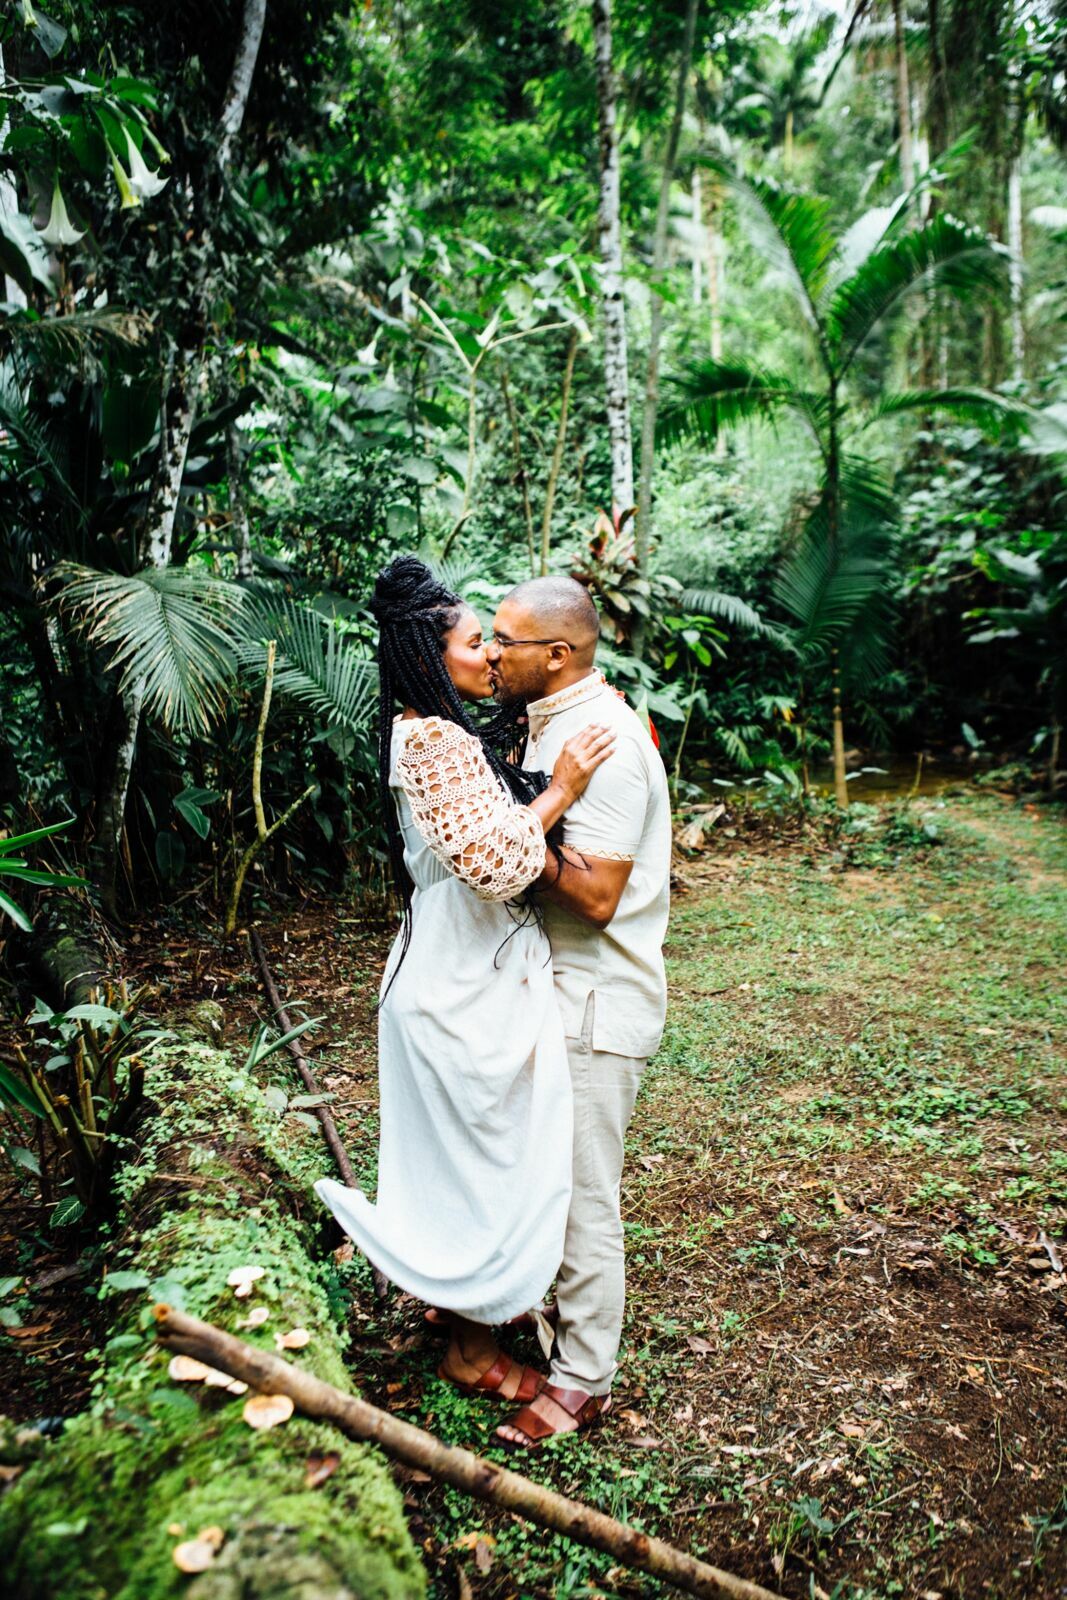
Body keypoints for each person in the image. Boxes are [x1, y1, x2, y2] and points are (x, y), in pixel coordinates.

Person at [315, 556, 617, 1406]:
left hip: (452, 973)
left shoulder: (429, 730)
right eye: (476, 641)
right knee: (483, 1163)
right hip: (457, 985)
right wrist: (562, 789)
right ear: (429, 655)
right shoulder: (432, 739)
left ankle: (471, 1317)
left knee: (470, 1161)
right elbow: (494, 863)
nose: (489, 655)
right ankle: (470, 1349)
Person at [486, 576, 672, 1448]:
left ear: (556, 655)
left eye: (504, 641)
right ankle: (541, 1315)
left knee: (582, 1196)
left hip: (597, 1000)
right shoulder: (546, 722)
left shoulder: (605, 741)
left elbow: (596, 897)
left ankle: (583, 1378)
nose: (490, 654)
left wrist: (510, 843)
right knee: (541, 1176)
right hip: (550, 992)